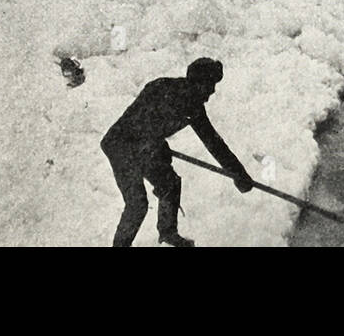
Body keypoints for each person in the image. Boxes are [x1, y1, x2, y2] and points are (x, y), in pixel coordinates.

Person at [101, 57, 254, 248]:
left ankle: (168, 232)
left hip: (144, 146)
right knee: (137, 203)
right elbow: (139, 125)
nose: (212, 91)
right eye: (210, 85)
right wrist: (156, 147)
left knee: (170, 184)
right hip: (120, 146)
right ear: (197, 83)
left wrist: (238, 173)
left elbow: (214, 143)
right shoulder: (161, 89)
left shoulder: (194, 107)